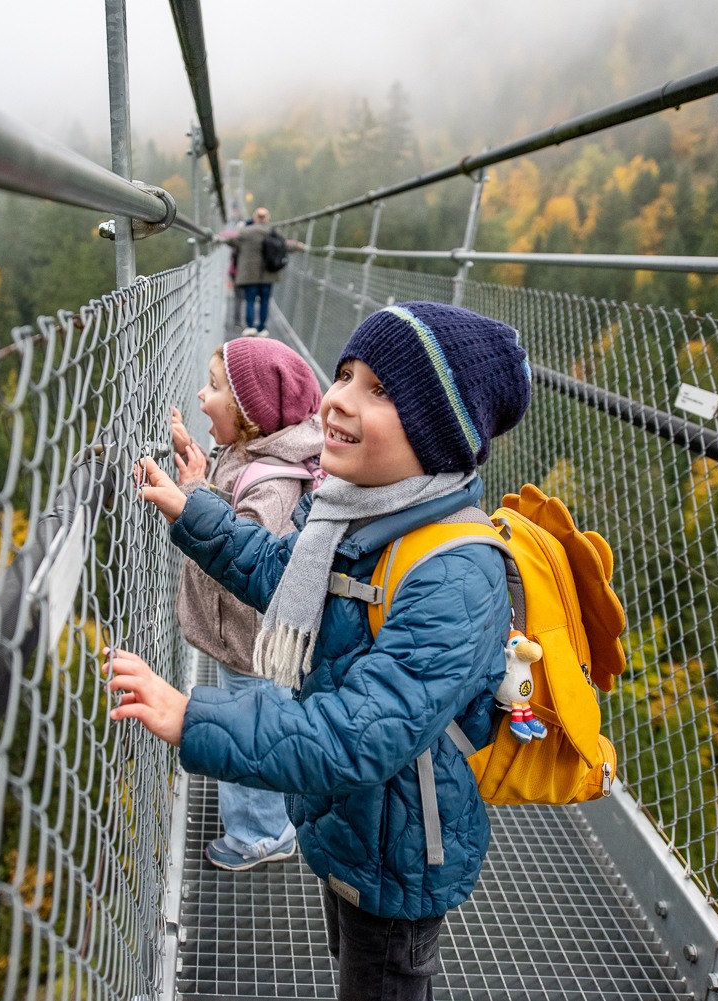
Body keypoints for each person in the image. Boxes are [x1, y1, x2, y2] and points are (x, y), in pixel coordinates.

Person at [104, 301, 532, 1000]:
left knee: (382, 976)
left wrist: (194, 719)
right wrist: (196, 513)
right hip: (349, 820)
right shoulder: (350, 505)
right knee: (352, 957)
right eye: (344, 374)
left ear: (437, 431)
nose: (336, 400)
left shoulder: (455, 571)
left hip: (400, 850)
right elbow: (284, 576)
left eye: (381, 390)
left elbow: (358, 733)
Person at [168, 336, 324, 870]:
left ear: (250, 415)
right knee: (255, 719)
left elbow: (246, 550)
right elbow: (228, 492)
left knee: (252, 727)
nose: (200, 395)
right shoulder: (248, 452)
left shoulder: (277, 484)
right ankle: (267, 817)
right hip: (243, 637)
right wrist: (199, 466)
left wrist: (192, 496)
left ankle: (262, 833)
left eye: (214, 388)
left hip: (253, 641)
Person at [224, 206, 302, 336]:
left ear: (254, 217)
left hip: (249, 274)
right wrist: (298, 246)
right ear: (268, 218)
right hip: (268, 274)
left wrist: (218, 238)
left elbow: (231, 241)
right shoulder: (272, 232)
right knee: (265, 301)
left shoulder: (245, 232)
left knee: (250, 300)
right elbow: (284, 246)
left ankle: (250, 326)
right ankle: (261, 328)